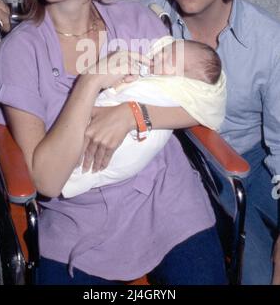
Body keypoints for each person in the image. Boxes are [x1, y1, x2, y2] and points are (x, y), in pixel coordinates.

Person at [0, 0, 227, 285]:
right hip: (79, 223)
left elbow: (206, 100)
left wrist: (135, 114)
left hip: (167, 204)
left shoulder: (136, 21)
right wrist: (90, 82)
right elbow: (46, 180)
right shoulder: (19, 51)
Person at [145, 0, 280, 285]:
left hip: (262, 163)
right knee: (252, 273)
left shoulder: (269, 41)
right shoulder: (150, 22)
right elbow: (79, 31)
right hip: (198, 167)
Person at [62, 35, 226, 197]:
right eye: (163, 51)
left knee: (90, 158)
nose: (160, 55)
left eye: (169, 59)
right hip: (101, 128)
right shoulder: (155, 76)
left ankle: (73, 174)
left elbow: (139, 97)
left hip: (129, 147)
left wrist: (121, 97)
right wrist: (124, 83)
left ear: (183, 80)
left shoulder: (171, 93)